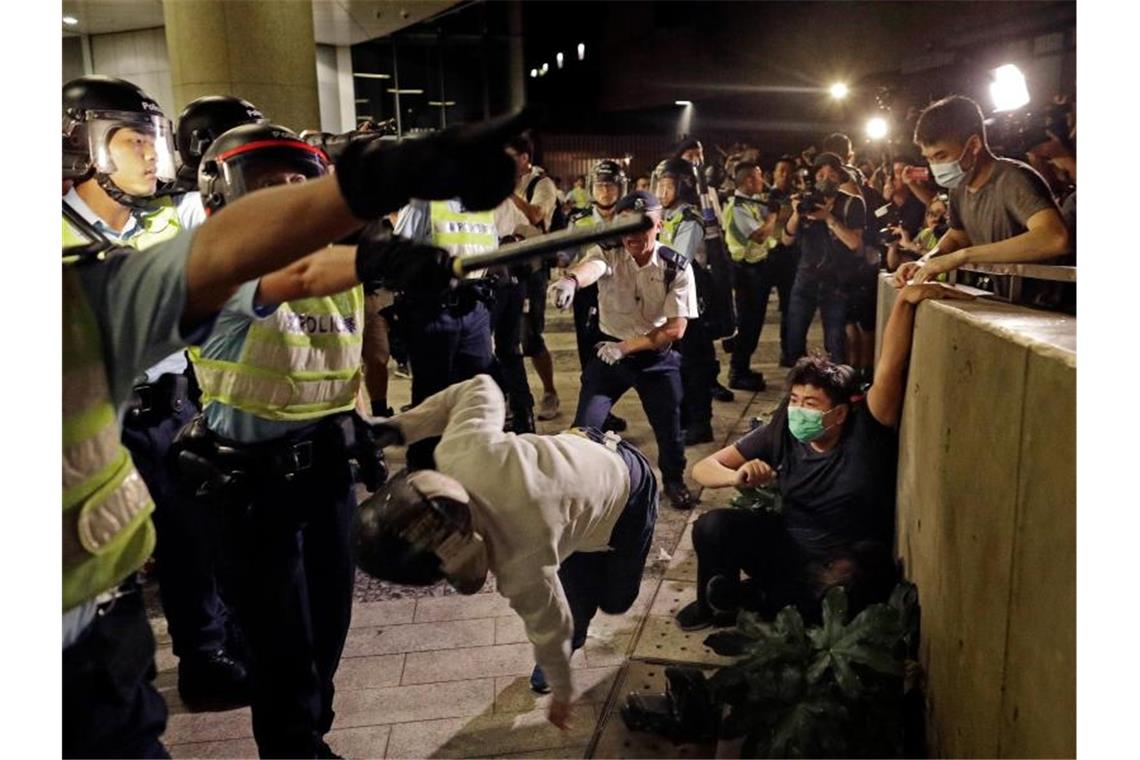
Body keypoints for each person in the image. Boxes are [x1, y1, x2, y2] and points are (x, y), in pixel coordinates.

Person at [63, 98, 523, 760]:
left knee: (327, 633)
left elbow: (341, 312)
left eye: (295, 185)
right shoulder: (217, 274)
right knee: (281, 650)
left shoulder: (337, 259)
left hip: (325, 476)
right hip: (248, 488)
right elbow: (294, 272)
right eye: (268, 188)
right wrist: (371, 231)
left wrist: (379, 259)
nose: (287, 201)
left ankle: (310, 734)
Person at [62, 75, 251, 707]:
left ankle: (204, 654)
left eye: (154, 138)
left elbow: (241, 225)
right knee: (107, 553)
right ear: (83, 145)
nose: (151, 153)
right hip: (95, 425)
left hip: (172, 407)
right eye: (132, 138)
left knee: (191, 537)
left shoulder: (170, 214)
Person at [355, 374, 659, 731]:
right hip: (578, 464)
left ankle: (582, 562)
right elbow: (479, 386)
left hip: (627, 489)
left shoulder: (521, 565)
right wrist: (396, 429)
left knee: (616, 600)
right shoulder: (461, 451)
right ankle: (573, 569)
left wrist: (562, 694)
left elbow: (552, 625)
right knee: (577, 598)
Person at [674, 280, 975, 631]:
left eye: (811, 404)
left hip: (844, 557)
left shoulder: (867, 430)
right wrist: (735, 476)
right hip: (789, 545)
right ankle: (717, 607)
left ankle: (758, 598)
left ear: (840, 413)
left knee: (843, 586)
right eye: (796, 401)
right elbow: (703, 468)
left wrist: (905, 301)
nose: (799, 411)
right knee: (713, 526)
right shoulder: (783, 430)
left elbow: (891, 365)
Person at [549, 191, 698, 510]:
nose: (633, 235)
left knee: (669, 427)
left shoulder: (676, 267)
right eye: (626, 226)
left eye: (643, 226)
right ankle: (582, 486)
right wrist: (572, 282)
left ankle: (673, 480)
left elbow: (675, 329)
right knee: (585, 427)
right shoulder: (609, 252)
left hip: (654, 356)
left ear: (659, 225)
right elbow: (592, 267)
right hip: (608, 355)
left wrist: (628, 347)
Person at [892, 95, 1070, 286]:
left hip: (1045, 305)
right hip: (1004, 301)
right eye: (929, 158)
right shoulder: (959, 186)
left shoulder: (1013, 179)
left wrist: (963, 256)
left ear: (974, 145)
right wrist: (925, 262)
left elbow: (1054, 238)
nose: (935, 166)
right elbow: (958, 236)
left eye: (941, 155)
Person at [563, 159, 632, 433]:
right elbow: (567, 250)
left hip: (621, 289)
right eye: (601, 186)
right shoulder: (580, 219)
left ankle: (603, 406)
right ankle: (597, 412)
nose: (605, 191)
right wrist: (561, 261)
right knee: (588, 350)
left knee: (619, 348)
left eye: (611, 186)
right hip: (588, 292)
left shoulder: (629, 217)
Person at [652, 158, 716, 446]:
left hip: (690, 294)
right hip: (670, 295)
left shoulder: (690, 219)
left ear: (684, 185)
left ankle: (701, 423)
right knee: (676, 361)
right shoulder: (664, 215)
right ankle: (685, 419)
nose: (662, 191)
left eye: (668, 185)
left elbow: (679, 260)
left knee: (695, 362)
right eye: (660, 185)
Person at [781, 152, 867, 363]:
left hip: (836, 281)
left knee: (835, 343)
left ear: (840, 177)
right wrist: (796, 213)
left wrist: (828, 217)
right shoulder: (806, 200)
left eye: (832, 174)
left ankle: (835, 389)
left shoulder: (852, 203)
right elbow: (786, 240)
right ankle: (797, 389)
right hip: (806, 278)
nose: (826, 178)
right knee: (794, 340)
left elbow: (855, 244)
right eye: (820, 174)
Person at [505, 134, 562, 421]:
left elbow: (537, 215)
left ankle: (550, 392)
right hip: (503, 269)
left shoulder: (542, 184)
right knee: (505, 339)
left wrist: (507, 192)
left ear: (525, 158)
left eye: (510, 156)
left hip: (531, 269)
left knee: (531, 336)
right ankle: (513, 398)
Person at [721, 160, 781, 392]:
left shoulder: (749, 203)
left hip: (757, 269)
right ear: (748, 180)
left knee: (754, 323)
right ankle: (737, 371)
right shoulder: (737, 207)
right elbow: (758, 235)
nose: (762, 181)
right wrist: (773, 217)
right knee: (748, 323)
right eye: (758, 177)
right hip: (746, 271)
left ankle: (743, 367)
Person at [767, 156, 801, 366]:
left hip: (791, 254)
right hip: (771, 253)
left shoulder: (796, 196)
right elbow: (774, 218)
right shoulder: (768, 196)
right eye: (781, 170)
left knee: (790, 305)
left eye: (789, 171)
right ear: (774, 173)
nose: (785, 175)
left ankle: (789, 351)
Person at [887, 195, 948, 271]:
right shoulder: (926, 234)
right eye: (931, 213)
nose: (935, 218)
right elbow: (894, 265)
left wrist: (913, 246)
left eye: (940, 213)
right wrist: (893, 244)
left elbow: (944, 260)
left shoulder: (954, 235)